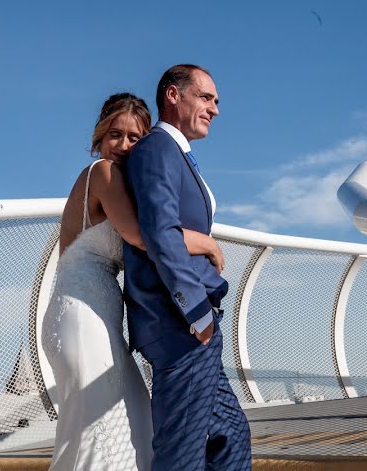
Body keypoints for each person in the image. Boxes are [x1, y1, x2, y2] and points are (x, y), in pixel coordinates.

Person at [41, 92, 225, 471]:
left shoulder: (120, 183)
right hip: (80, 314)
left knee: (120, 421)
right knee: (106, 427)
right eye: (115, 135)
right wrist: (206, 242)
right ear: (99, 137)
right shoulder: (103, 174)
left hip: (94, 313)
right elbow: (143, 236)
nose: (123, 146)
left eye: (134, 137)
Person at [124, 65, 252, 471]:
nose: (214, 109)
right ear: (173, 96)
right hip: (181, 326)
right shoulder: (156, 149)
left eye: (216, 101)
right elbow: (160, 232)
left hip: (196, 330)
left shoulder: (176, 154)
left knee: (231, 436)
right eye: (206, 97)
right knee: (182, 455)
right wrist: (196, 312)